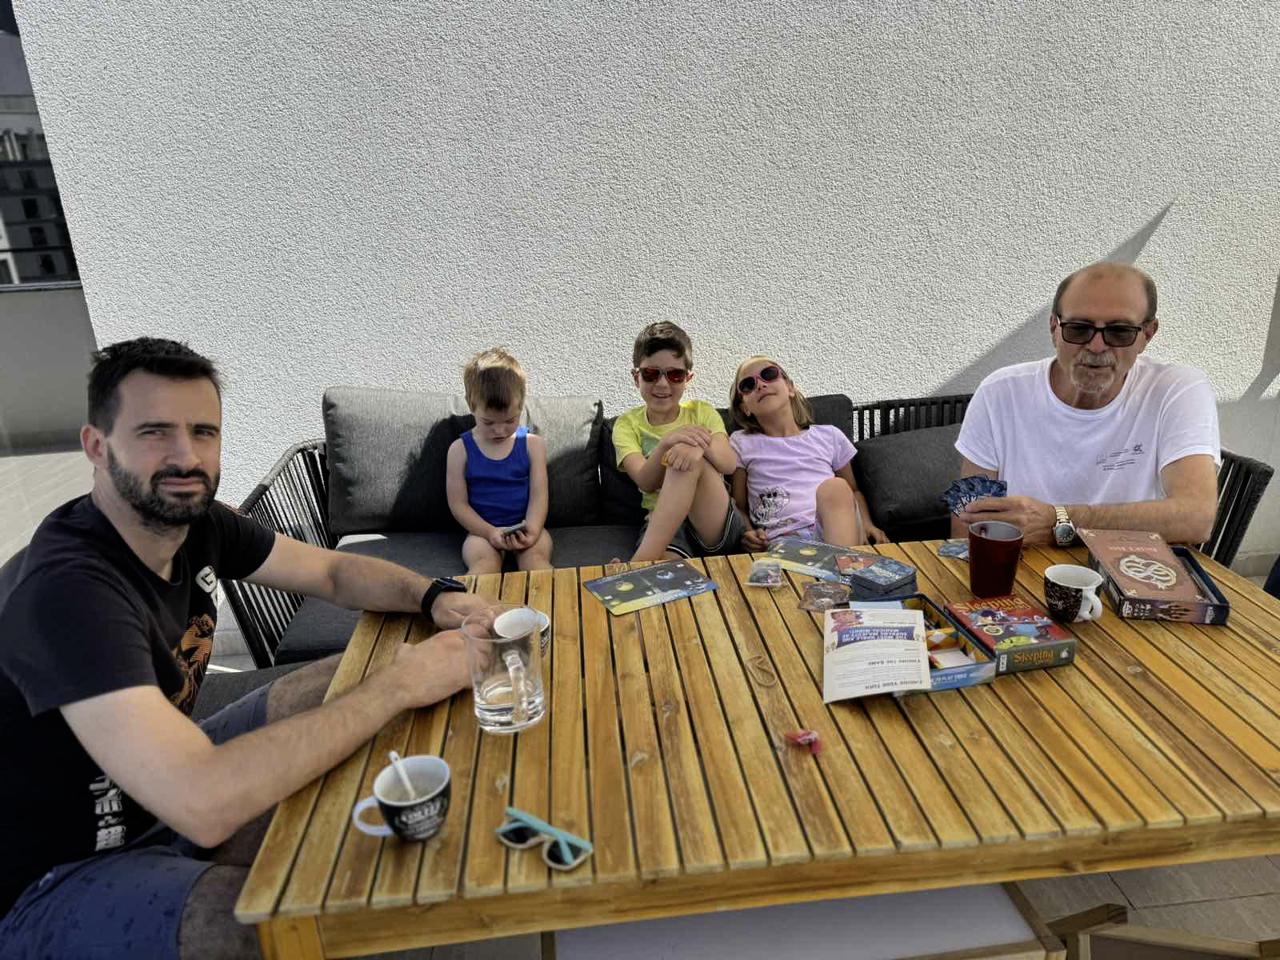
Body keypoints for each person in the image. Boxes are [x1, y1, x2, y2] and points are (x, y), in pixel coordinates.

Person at [0, 337, 492, 960]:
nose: (186, 456)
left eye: (203, 432)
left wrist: (433, 597)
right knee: (279, 920)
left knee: (342, 678)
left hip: (163, 786)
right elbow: (201, 802)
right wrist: (398, 686)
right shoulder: (67, 591)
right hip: (54, 875)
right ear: (97, 446)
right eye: (155, 432)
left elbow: (334, 572)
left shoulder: (197, 524)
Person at [952, 262, 1220, 547]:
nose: (1096, 346)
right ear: (1054, 328)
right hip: (1021, 564)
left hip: (1127, 566)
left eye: (1119, 331)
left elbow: (1196, 517)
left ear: (1147, 335)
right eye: (1079, 329)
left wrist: (1057, 521)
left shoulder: (1175, 389)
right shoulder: (1000, 392)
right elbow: (967, 527)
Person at [614, 321, 745, 561]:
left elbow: (728, 464)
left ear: (688, 379)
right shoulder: (627, 424)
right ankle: (652, 564)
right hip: (664, 529)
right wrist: (667, 443)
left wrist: (693, 446)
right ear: (636, 377)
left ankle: (637, 565)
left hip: (714, 521)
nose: (662, 384)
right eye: (651, 374)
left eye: (675, 375)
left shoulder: (701, 412)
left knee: (689, 459)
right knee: (667, 573)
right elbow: (646, 481)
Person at [728, 355, 886, 549]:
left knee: (836, 487)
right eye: (748, 385)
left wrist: (868, 524)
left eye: (769, 374)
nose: (760, 385)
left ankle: (841, 562)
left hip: (834, 528)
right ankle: (840, 562)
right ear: (745, 408)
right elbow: (740, 506)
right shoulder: (741, 442)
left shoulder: (828, 436)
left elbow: (853, 490)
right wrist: (748, 531)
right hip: (781, 540)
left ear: (790, 388)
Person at [445, 347, 552, 573]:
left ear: (521, 405)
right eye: (489, 422)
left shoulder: (533, 445)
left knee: (537, 565)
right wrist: (488, 532)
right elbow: (458, 505)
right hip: (482, 534)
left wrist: (532, 530)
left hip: (527, 528)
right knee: (484, 567)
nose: (500, 430)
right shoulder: (459, 450)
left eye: (510, 420)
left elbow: (539, 495)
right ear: (471, 405)